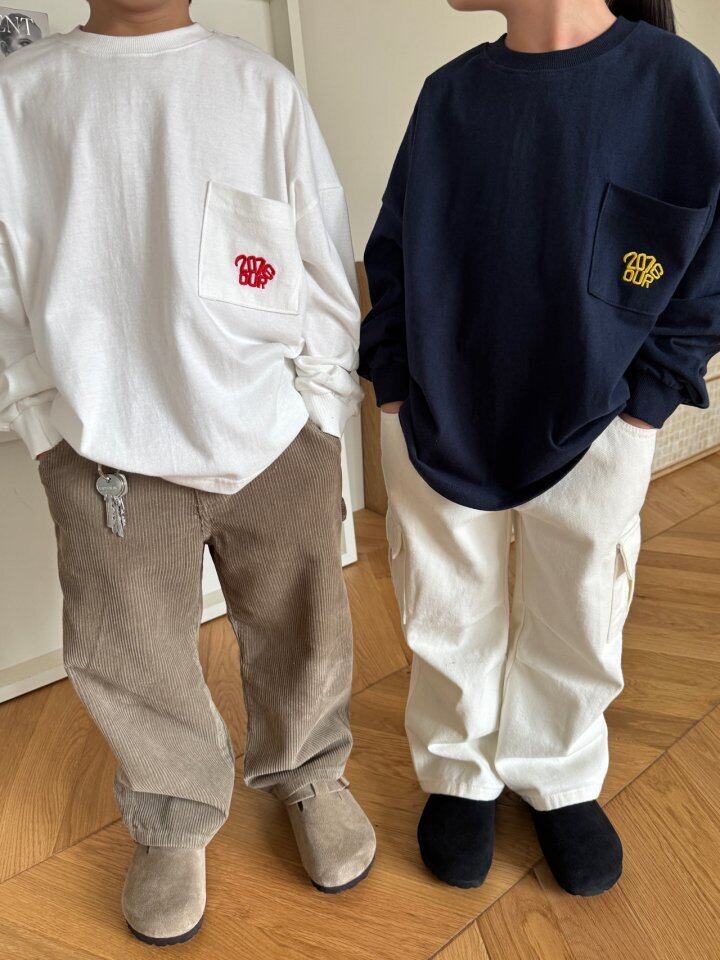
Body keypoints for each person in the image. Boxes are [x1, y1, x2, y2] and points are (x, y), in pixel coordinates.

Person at [0, 0, 375, 945]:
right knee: (130, 650)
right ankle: (172, 813)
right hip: (106, 454)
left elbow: (319, 255)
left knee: (304, 620)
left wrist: (320, 413)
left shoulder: (259, 88)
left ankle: (311, 771)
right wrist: (45, 428)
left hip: (271, 436)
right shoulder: (22, 96)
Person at [360, 0, 720, 897]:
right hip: (439, 411)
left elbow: (708, 263)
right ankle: (459, 770)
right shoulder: (448, 96)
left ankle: (559, 770)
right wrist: (393, 382)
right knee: (445, 597)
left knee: (582, 601)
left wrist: (646, 402)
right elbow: (394, 247)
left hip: (602, 419)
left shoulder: (676, 86)